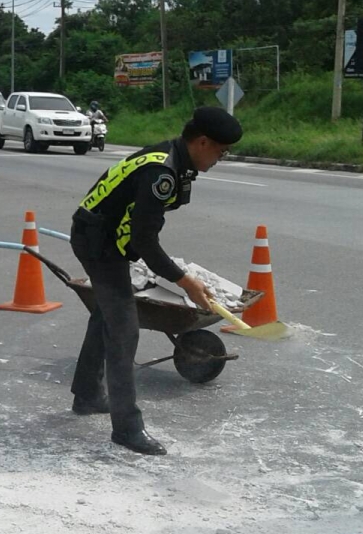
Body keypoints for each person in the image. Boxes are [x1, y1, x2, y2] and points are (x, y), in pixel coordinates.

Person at [69, 106, 242, 455]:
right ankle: (127, 429)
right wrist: (185, 281)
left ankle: (87, 396)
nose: (220, 159)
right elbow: (146, 240)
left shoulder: (176, 160)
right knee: (123, 331)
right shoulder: (161, 171)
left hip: (106, 237)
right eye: (221, 152)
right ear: (203, 142)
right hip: (99, 243)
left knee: (106, 315)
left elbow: (141, 231)